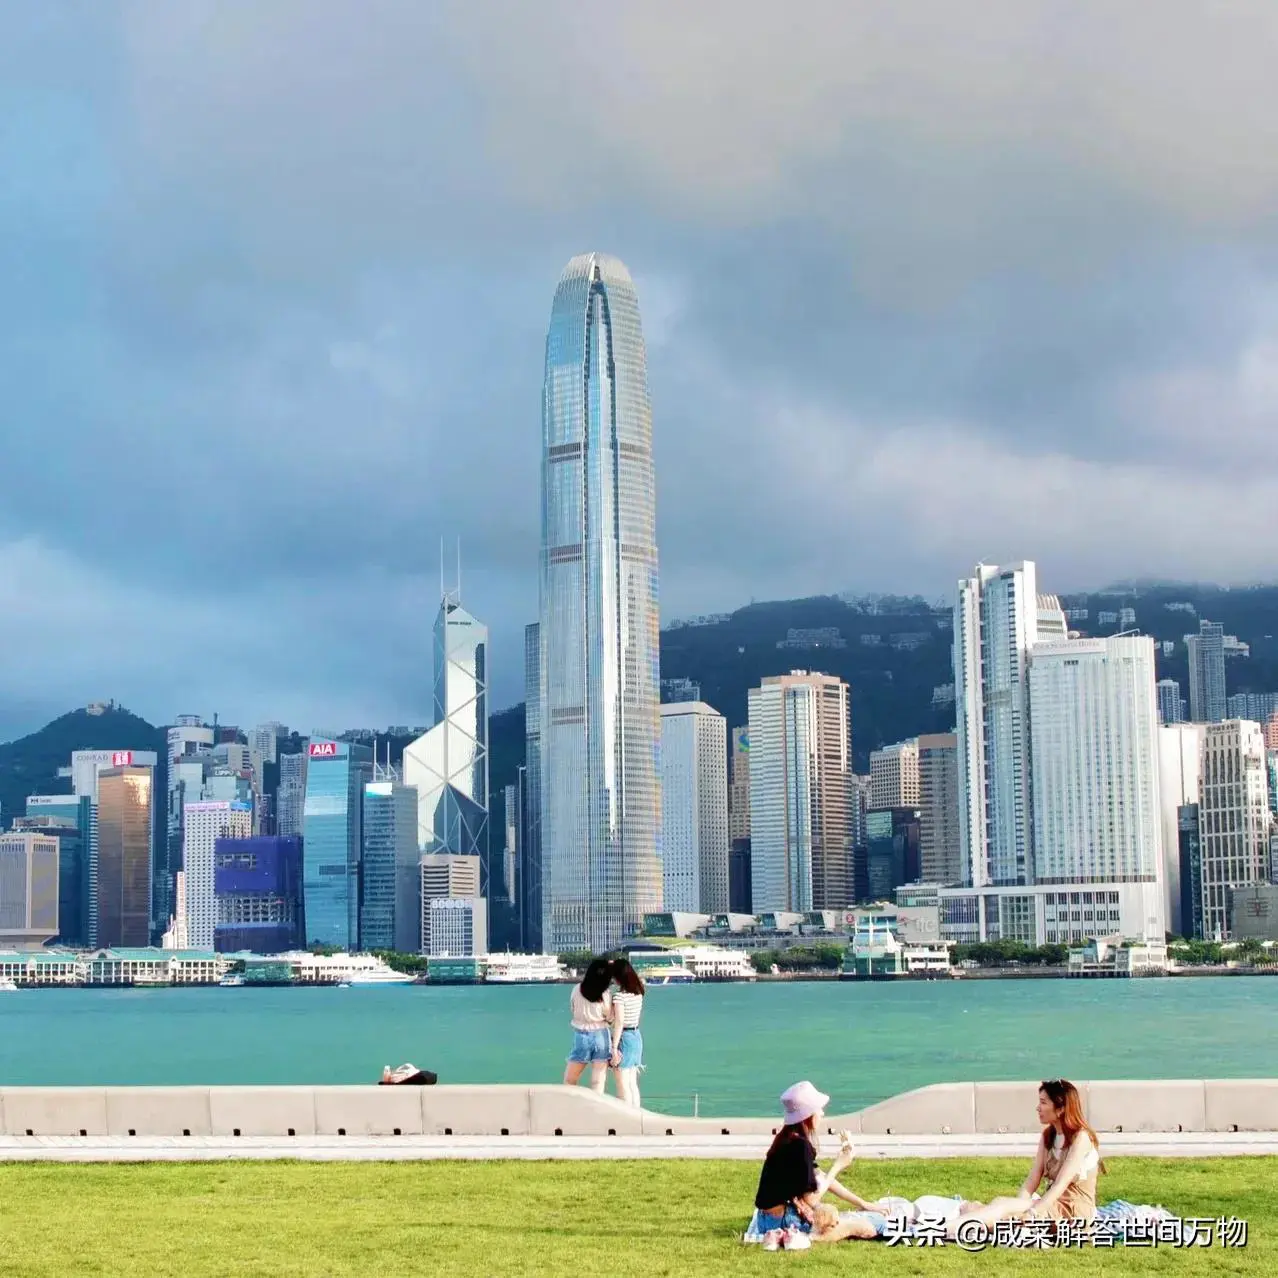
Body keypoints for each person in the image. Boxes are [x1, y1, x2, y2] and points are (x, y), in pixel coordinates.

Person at [948, 1078, 1103, 1238]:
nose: (1038, 1108)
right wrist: (1017, 1207)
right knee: (998, 1207)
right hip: (1051, 1205)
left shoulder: (1081, 1138)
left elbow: (1059, 1185)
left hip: (1074, 1213)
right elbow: (1031, 1181)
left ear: (1060, 1108)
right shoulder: (1048, 1136)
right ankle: (958, 1227)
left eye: (1043, 1103)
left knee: (999, 1209)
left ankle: (942, 1230)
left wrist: (1032, 1212)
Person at [748, 1082, 867, 1246]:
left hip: (765, 1219)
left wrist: (864, 1203)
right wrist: (838, 1165)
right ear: (808, 1114)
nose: (822, 1113)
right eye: (819, 1109)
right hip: (782, 1220)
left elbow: (822, 1178)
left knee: (840, 1216)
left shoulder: (786, 1138)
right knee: (855, 1226)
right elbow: (811, 1199)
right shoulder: (800, 1146)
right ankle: (808, 1237)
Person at [563, 957, 619, 1092]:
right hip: (601, 1035)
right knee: (598, 1081)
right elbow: (610, 1017)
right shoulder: (605, 993)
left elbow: (573, 1008)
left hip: (581, 1035)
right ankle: (596, 1110)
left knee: (570, 1079)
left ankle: (568, 1107)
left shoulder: (577, 989)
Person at [608, 957, 645, 1107]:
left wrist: (614, 1047)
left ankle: (628, 1119)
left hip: (624, 1038)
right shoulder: (639, 992)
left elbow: (619, 1023)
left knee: (622, 1084)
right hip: (636, 1036)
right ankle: (637, 1116)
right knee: (632, 1083)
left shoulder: (619, 997)